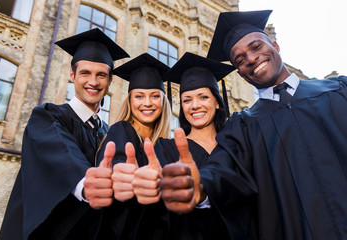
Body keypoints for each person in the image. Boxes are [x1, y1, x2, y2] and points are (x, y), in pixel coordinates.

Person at [160, 10, 347, 240]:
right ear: (240, 73)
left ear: (275, 46)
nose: (250, 58)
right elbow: (223, 169)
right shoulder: (244, 126)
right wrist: (199, 187)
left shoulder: (339, 90)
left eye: (256, 46)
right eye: (239, 59)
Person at [0, 28, 129, 240]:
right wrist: (87, 183)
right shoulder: (48, 116)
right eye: (85, 73)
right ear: (72, 75)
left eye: (101, 75)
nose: (93, 82)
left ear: (111, 80)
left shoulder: (107, 132)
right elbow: (62, 151)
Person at [149, 52, 247, 240]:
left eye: (203, 97)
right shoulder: (167, 149)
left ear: (217, 102)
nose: (194, 105)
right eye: (187, 100)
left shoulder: (236, 146)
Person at [85, 53, 172, 239]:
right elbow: (118, 162)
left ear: (164, 102)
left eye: (155, 96)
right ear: (130, 101)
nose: (147, 103)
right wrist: (123, 177)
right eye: (139, 96)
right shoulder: (122, 130)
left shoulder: (165, 145)